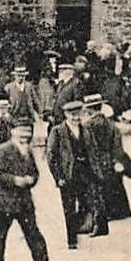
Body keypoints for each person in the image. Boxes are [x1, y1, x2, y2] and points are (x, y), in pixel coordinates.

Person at [0, 122, 54, 261]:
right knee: (1, 232)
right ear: (13, 132)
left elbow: (35, 172)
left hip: (24, 200)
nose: (25, 136)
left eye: (28, 133)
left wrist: (32, 180)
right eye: (21, 133)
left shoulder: (28, 151)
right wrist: (15, 180)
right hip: (6, 201)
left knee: (32, 231)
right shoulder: (3, 150)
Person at [46, 99, 94, 250]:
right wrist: (58, 176)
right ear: (66, 115)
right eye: (72, 115)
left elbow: (92, 152)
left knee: (86, 204)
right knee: (69, 208)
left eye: (78, 114)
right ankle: (71, 240)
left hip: (84, 173)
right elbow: (51, 156)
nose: (76, 118)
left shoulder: (85, 130)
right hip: (67, 175)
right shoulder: (58, 131)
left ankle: (80, 228)